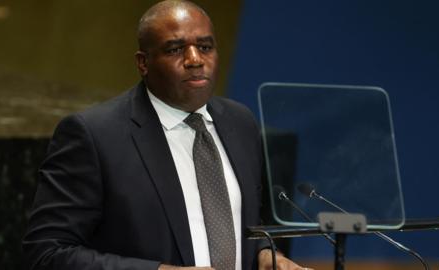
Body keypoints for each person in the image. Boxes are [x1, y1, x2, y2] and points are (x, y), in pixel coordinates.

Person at [23, 1, 312, 269]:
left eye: (205, 47)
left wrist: (265, 253)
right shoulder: (95, 135)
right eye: (175, 49)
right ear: (143, 63)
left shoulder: (240, 122)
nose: (194, 59)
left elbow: (240, 220)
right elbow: (47, 251)